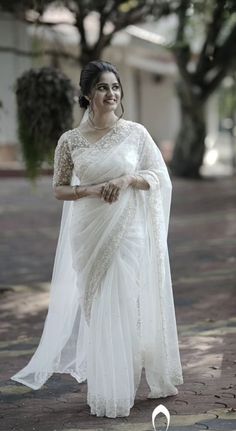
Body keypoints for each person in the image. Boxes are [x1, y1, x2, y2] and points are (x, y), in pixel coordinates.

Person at [11, 60, 183, 418]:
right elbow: (59, 188)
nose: (112, 94)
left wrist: (125, 181)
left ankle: (116, 391)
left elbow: (159, 176)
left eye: (116, 87)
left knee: (122, 303)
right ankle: (106, 385)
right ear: (87, 94)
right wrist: (88, 191)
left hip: (128, 231)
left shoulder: (136, 133)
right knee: (100, 309)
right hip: (88, 232)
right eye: (103, 88)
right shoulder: (70, 141)